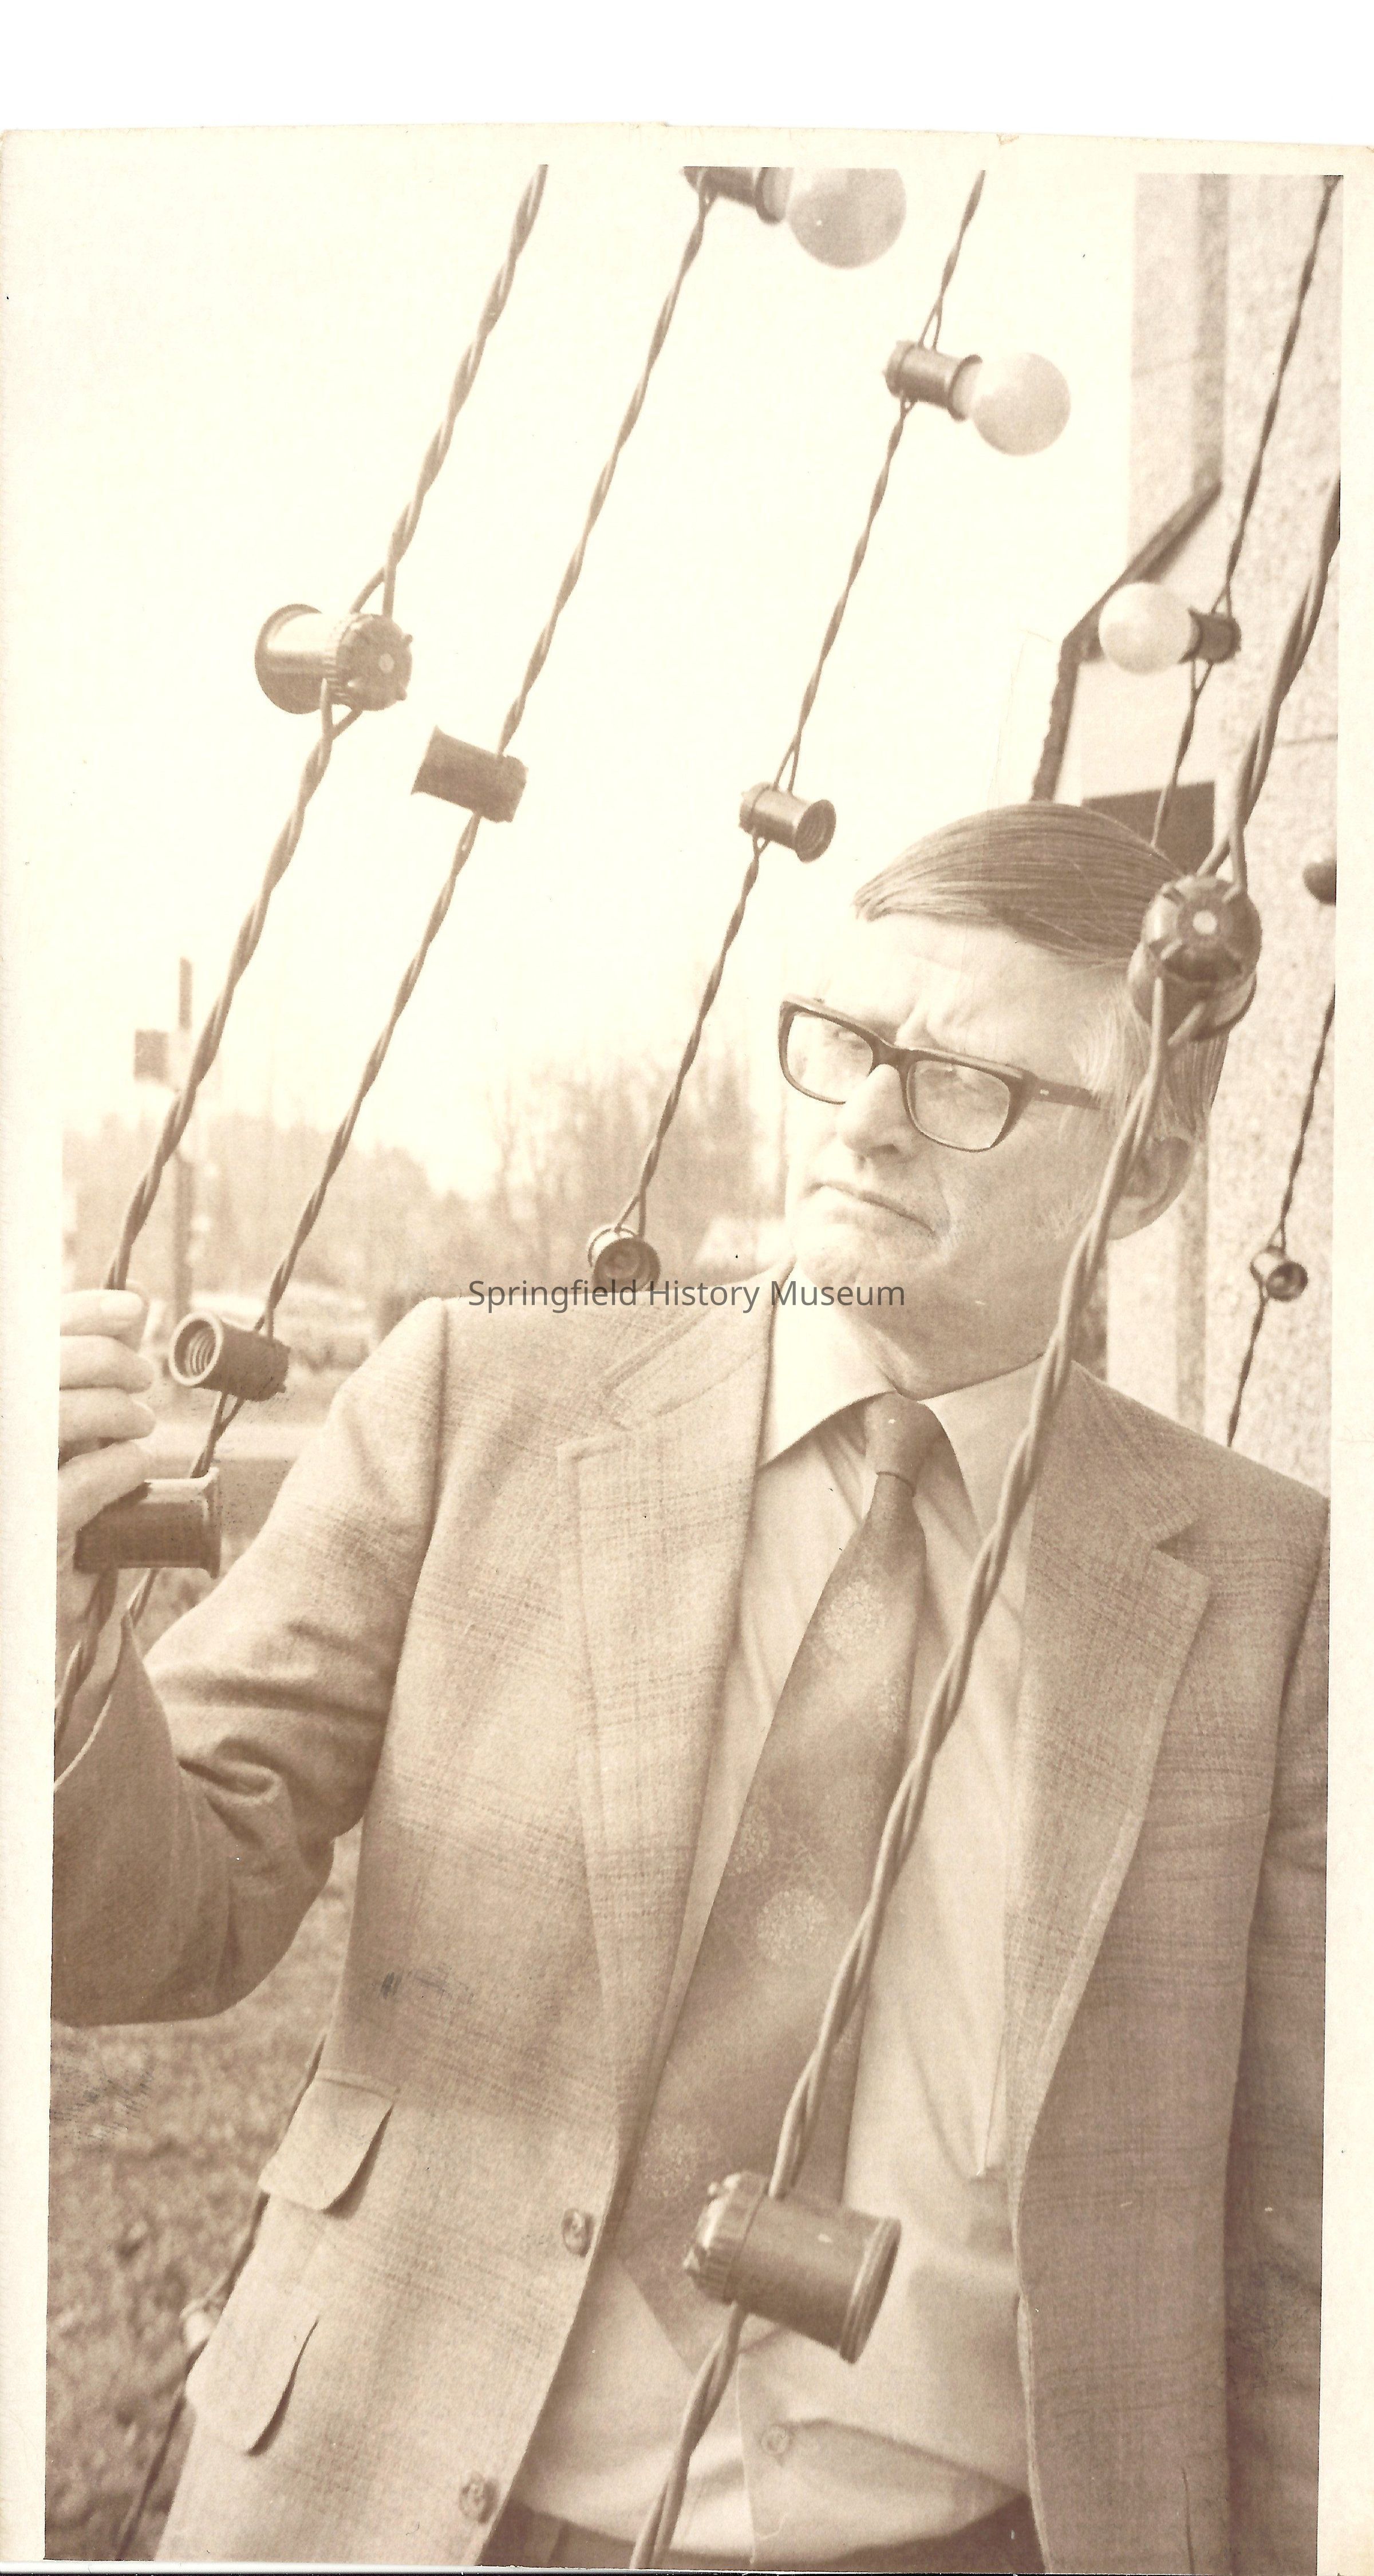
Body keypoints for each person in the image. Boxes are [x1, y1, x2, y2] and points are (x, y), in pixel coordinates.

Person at [54, 803, 1325, 2576]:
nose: (867, 1118)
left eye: (967, 1083)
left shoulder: (1273, 1587)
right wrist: (52, 1647)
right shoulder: (478, 1399)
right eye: (846, 1043)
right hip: (411, 2510)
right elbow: (141, 1931)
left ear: (1151, 1172)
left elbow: (1297, 2245)